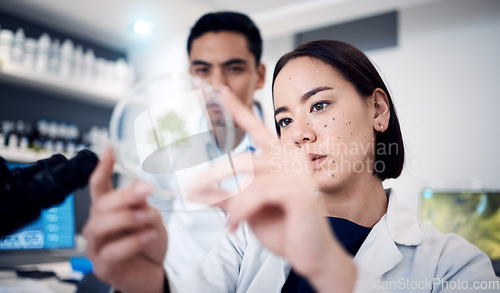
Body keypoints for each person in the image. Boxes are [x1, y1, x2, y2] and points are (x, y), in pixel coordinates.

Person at [83, 40, 499, 293]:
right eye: (284, 120)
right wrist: (150, 287)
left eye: (318, 105)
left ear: (377, 109)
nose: (299, 134)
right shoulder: (247, 239)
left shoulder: (454, 266)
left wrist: (327, 267)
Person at [148, 11, 267, 286]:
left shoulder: (289, 149)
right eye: (202, 70)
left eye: (234, 68)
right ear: (191, 76)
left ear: (259, 76)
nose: (215, 85)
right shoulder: (166, 140)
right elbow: (157, 208)